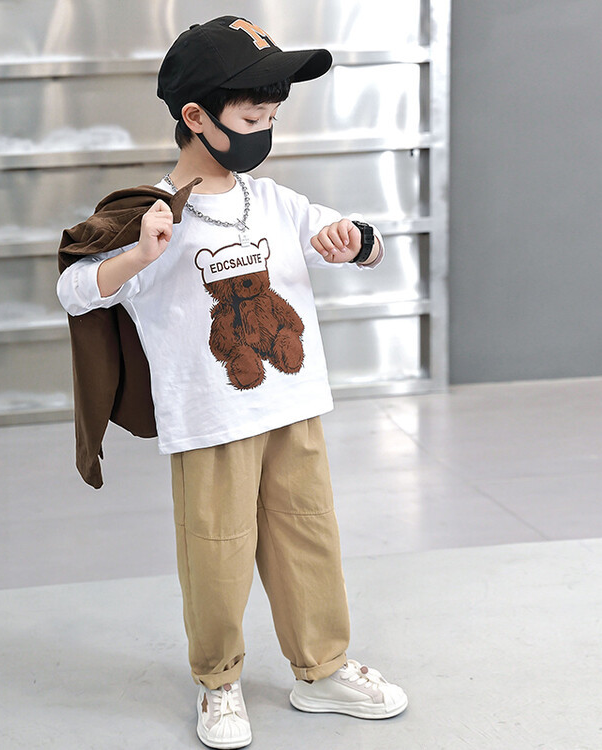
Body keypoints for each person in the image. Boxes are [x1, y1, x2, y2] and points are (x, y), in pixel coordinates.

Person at [56, 15, 407, 749]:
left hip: (294, 409)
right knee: (215, 552)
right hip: (210, 422)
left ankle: (321, 670)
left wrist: (355, 242)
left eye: (272, 117)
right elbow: (75, 291)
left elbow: (368, 248)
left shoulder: (276, 203)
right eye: (252, 118)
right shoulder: (151, 216)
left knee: (309, 537)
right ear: (195, 117)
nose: (265, 130)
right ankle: (218, 683)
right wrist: (139, 258)